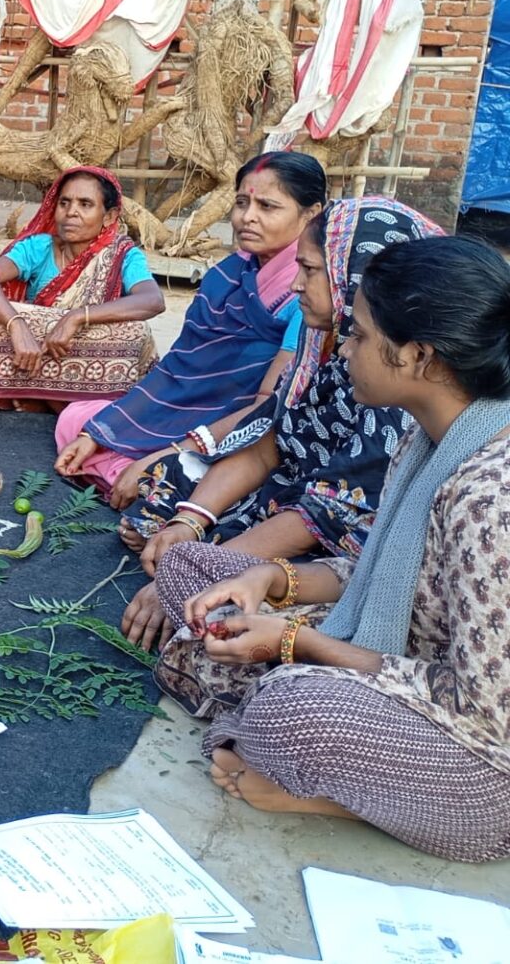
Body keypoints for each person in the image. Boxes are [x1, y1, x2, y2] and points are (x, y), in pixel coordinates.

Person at [150, 236, 510, 862]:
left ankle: (321, 786)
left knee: (292, 708)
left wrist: (300, 645)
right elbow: (383, 574)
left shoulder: (490, 495)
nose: (345, 349)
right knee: (193, 567)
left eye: (363, 336)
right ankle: (288, 728)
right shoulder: (430, 438)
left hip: (481, 753)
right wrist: (269, 580)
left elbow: (479, 709)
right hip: (396, 653)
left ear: (419, 355)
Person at [122, 197, 440, 648]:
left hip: (342, 535)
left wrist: (202, 567)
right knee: (167, 492)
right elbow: (268, 442)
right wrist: (190, 524)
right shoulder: (320, 345)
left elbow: (328, 514)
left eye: (310, 270)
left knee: (204, 614)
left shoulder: (392, 382)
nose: (295, 285)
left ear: (356, 279)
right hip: (293, 492)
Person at [53, 152, 327, 502]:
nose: (247, 217)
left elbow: (266, 410)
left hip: (242, 433)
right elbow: (178, 370)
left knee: (192, 481)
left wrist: (170, 454)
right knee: (78, 421)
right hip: (186, 414)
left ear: (312, 214)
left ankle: (151, 478)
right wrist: (99, 434)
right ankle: (136, 473)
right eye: (242, 203)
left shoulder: (307, 297)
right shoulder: (226, 276)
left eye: (268, 207)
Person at [0, 166, 163, 411]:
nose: (71, 213)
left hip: (90, 353)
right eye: (64, 203)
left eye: (85, 204)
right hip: (39, 349)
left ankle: (47, 397)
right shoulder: (39, 247)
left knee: (136, 331)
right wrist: (17, 324)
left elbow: (152, 300)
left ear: (109, 217)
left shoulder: (123, 255)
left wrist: (78, 317)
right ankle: (56, 399)